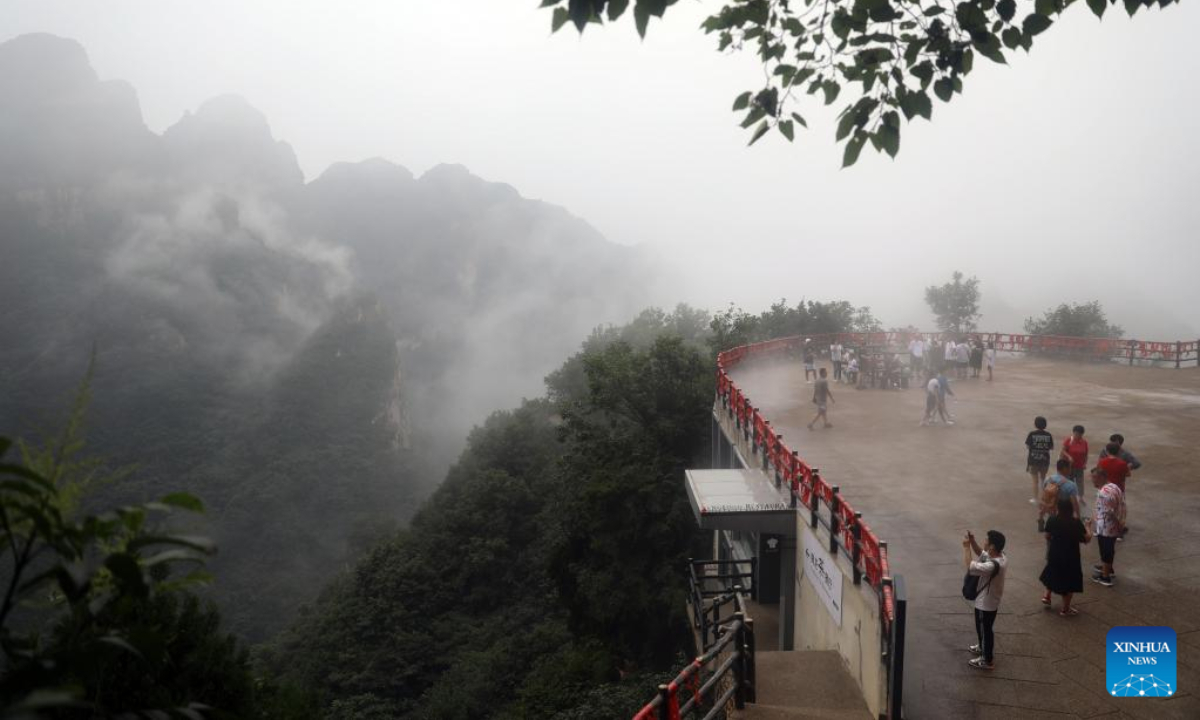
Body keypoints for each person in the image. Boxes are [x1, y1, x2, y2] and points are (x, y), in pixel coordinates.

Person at [963, 529, 1007, 670]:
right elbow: (981, 553)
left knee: (985, 629)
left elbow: (969, 565)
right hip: (992, 601)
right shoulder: (1001, 557)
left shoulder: (991, 566)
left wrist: (966, 548)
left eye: (987, 540)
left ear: (993, 546)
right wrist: (973, 542)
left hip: (985, 603)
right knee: (984, 628)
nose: (985, 542)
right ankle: (982, 646)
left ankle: (987, 660)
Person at [1039, 498, 1090, 616]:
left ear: (1058, 508)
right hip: (1071, 556)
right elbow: (1086, 539)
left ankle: (1047, 595)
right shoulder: (1075, 522)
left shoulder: (1052, 519)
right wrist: (1088, 527)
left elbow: (1047, 535)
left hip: (1055, 553)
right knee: (1069, 581)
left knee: (1052, 572)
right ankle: (1065, 609)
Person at [1091, 467, 1125, 587]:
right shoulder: (1114, 486)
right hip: (1112, 527)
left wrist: (1118, 525)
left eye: (1094, 478)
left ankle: (1105, 577)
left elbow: (1109, 512)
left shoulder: (1103, 494)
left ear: (1102, 477)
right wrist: (1120, 524)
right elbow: (1121, 506)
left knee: (1105, 550)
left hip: (1106, 527)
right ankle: (1108, 568)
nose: (1092, 481)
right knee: (1109, 548)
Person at [1039, 458, 1080, 532]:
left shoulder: (1048, 479)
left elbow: (1045, 495)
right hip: (1064, 514)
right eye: (1069, 468)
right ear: (1065, 469)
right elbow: (1075, 504)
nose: (1070, 470)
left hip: (1050, 509)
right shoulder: (1071, 485)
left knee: (1051, 532)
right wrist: (1077, 516)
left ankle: (1041, 521)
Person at [1025, 416, 1054, 506]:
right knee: (1043, 479)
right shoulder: (1048, 435)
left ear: (1035, 424)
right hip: (1044, 460)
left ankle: (1035, 498)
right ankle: (1044, 497)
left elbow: (1028, 446)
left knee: (1035, 480)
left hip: (1033, 460)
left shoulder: (1032, 434)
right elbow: (1051, 447)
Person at [1060, 425, 1089, 505]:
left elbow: (1086, 454)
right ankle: (1070, 497)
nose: (1077, 436)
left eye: (1079, 434)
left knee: (1080, 482)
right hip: (1069, 466)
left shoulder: (1084, 442)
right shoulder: (1069, 440)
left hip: (1079, 466)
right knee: (1070, 482)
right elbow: (1063, 451)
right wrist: (1069, 456)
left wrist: (1085, 463)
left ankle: (1080, 497)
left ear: (1082, 434)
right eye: (1076, 434)